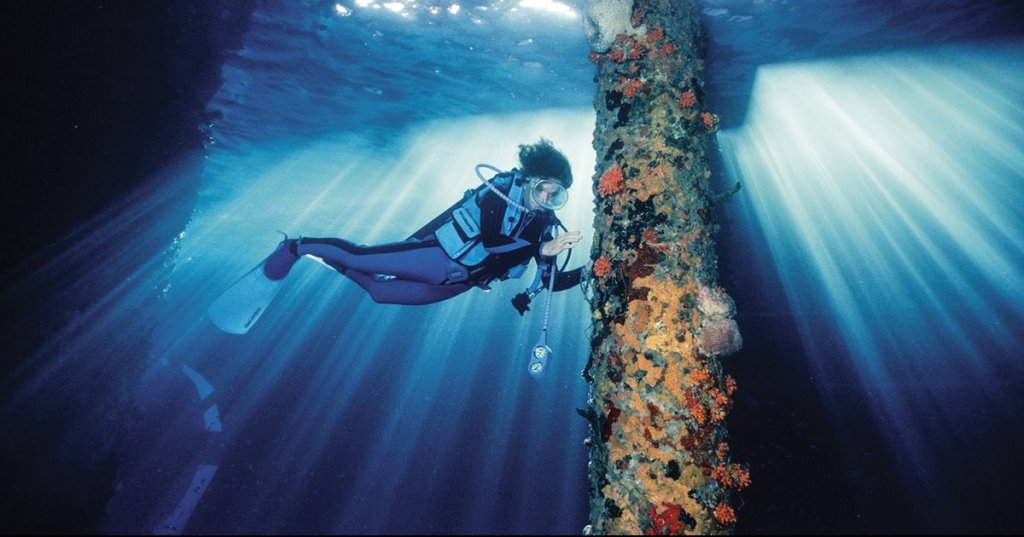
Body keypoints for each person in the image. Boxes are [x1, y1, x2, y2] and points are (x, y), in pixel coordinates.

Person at [261, 139, 586, 312]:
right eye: (544, 188)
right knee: (360, 257)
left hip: (460, 283)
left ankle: (325, 258)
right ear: (529, 179)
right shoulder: (500, 190)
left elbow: (551, 280)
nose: (547, 199)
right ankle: (296, 246)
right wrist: (540, 248)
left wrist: (591, 272)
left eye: (556, 195)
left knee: (379, 292)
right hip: (437, 258)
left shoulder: (543, 226)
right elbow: (491, 242)